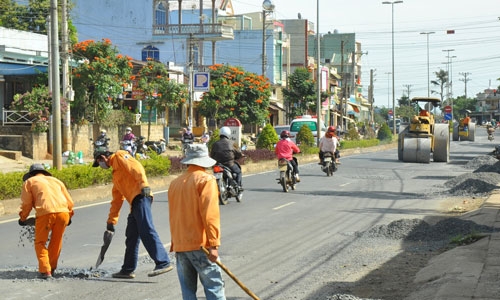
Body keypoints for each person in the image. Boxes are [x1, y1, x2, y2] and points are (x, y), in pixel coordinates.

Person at [92, 150, 173, 279]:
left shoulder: (119, 156)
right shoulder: (116, 175)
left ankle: (163, 262)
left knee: (146, 229)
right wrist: (111, 221)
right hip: (134, 203)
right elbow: (117, 201)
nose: (100, 166)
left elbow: (136, 167)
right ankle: (127, 269)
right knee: (131, 236)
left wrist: (143, 184)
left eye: (99, 162)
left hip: (141, 195)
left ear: (102, 157)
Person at [168, 144, 225, 299]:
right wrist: (213, 244)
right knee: (214, 287)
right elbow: (210, 215)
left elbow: (175, 216)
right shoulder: (206, 180)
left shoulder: (175, 183)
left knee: (188, 292)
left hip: (180, 245)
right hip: (201, 245)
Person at [19, 164, 74, 279]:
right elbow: (70, 202)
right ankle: (52, 268)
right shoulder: (56, 181)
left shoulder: (29, 182)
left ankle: (45, 271)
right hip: (63, 213)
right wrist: (69, 216)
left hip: (45, 213)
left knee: (40, 243)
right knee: (56, 240)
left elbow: (27, 204)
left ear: (31, 174)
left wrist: (23, 218)